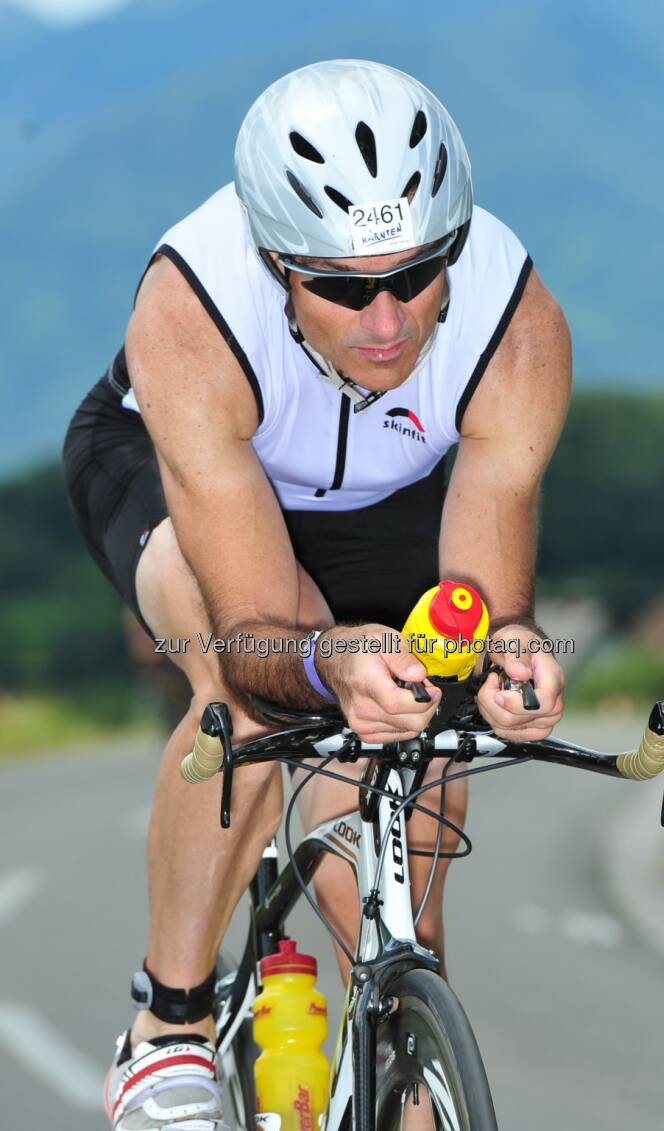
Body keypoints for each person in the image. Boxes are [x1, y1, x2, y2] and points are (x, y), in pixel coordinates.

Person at [63, 58, 570, 1131]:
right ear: (274, 264)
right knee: (249, 694)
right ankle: (169, 1025)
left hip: (384, 491)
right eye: (342, 288)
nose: (385, 322)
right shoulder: (193, 309)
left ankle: (404, 1036)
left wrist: (507, 654)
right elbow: (261, 637)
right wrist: (326, 665)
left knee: (423, 717)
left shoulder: (514, 325)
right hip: (185, 474)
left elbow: (485, 600)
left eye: (418, 274)